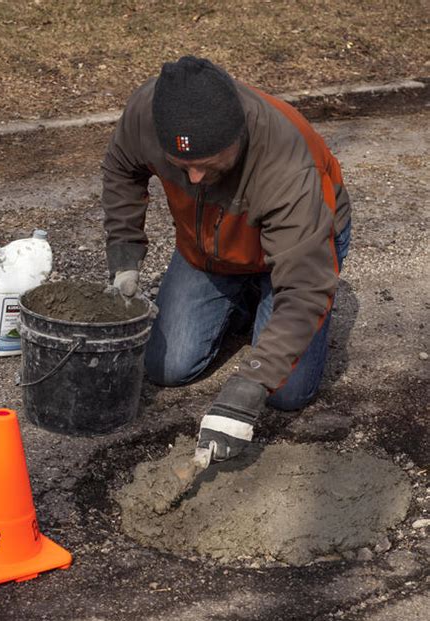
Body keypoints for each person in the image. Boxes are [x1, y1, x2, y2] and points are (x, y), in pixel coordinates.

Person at [102, 56, 351, 464]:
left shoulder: (287, 161)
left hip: (299, 253)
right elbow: (121, 171)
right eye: (183, 166)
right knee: (166, 368)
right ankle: (249, 303)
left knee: (285, 393)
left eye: (209, 163)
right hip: (208, 252)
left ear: (239, 135)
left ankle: (268, 300)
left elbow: (304, 287)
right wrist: (125, 257)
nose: (195, 178)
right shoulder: (147, 114)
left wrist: (248, 386)